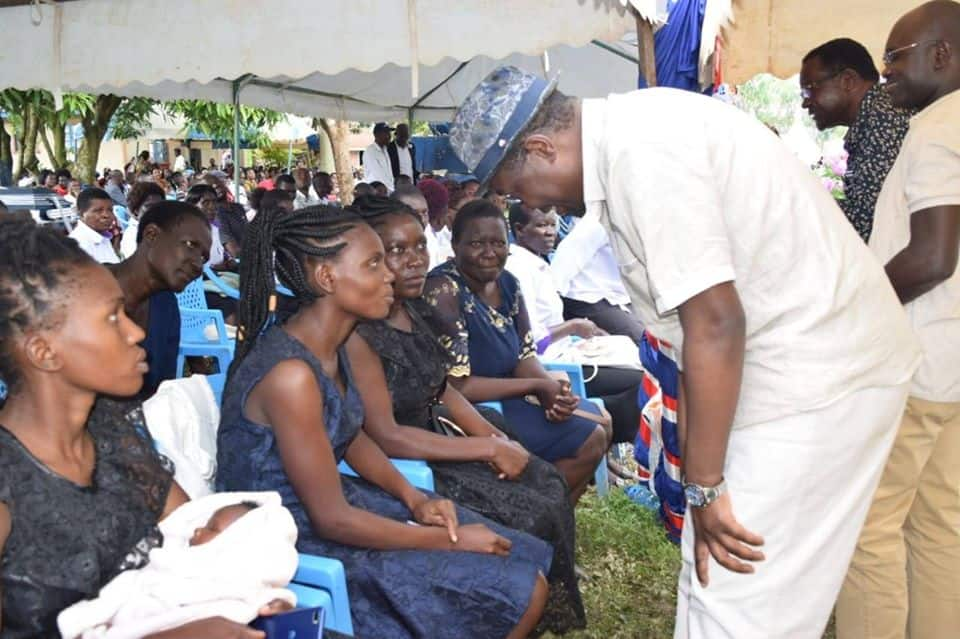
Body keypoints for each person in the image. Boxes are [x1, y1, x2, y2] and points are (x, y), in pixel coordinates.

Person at [450, 65, 921, 639]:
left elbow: (716, 323)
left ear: (540, 148)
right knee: (710, 567)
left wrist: (705, 484)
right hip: (786, 369)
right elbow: (689, 336)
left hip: (819, 379)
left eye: (514, 188)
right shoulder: (635, 134)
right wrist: (701, 480)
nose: (527, 205)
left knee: (744, 598)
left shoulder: (643, 155)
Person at [216, 205, 550, 639]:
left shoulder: (331, 345)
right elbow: (331, 520)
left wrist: (414, 499)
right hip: (293, 537)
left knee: (518, 552)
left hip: (333, 507)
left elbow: (350, 435)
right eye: (374, 264)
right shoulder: (291, 375)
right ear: (325, 277)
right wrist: (447, 540)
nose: (389, 275)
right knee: (520, 587)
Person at [0, 218, 278, 638]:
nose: (135, 332)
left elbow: (192, 532)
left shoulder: (112, 435)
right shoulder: (8, 484)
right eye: (112, 318)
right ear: (44, 350)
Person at [347, 195, 586, 633]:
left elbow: (442, 390)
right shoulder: (362, 331)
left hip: (441, 434)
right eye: (396, 251)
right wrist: (484, 448)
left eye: (420, 246)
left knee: (545, 480)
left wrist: (496, 442)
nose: (416, 260)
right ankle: (507, 604)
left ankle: (536, 597)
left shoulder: (414, 312)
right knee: (522, 512)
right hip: (410, 456)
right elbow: (387, 434)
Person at [837, 4, 960, 638]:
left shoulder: (938, 130)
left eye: (894, 58)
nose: (884, 74)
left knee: (869, 528)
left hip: (915, 358)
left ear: (941, 55)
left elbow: (934, 256)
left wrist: (858, 310)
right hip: (953, 367)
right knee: (939, 525)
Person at [423, 200, 610, 504]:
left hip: (511, 396)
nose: (488, 252)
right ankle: (537, 514)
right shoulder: (443, 290)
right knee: (591, 437)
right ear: (455, 247)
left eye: (497, 242)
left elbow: (524, 355)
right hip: (470, 411)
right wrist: (537, 385)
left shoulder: (508, 283)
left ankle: (547, 513)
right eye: (476, 243)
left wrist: (552, 390)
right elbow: (456, 386)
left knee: (601, 420)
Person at [507, 202, 643, 448]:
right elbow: (533, 341)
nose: (549, 232)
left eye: (552, 225)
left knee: (631, 349)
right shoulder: (519, 269)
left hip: (564, 348)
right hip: (549, 362)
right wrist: (573, 327)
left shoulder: (538, 263)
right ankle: (606, 439)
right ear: (519, 230)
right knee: (638, 380)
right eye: (540, 226)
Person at [801, 38, 912, 242]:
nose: (805, 102)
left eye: (809, 88)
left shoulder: (882, 119)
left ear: (847, 81)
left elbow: (865, 224)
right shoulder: (873, 117)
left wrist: (794, 192)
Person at [107, 201, 211, 398]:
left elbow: (161, 393)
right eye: (190, 245)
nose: (198, 264)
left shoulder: (166, 306)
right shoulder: (83, 292)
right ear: (152, 234)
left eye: (204, 257)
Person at [551, 209, 645, 343]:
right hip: (588, 299)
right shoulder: (598, 221)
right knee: (643, 343)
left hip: (619, 297)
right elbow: (565, 259)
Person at [68, 187, 121, 264]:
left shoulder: (102, 236)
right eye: (98, 211)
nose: (106, 215)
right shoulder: (78, 246)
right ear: (81, 214)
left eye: (110, 210)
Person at [120, 181, 167, 259]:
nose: (156, 211)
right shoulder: (132, 236)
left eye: (159, 206)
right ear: (136, 210)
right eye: (149, 206)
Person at [418, 178, 453, 268]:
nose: (447, 217)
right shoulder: (428, 240)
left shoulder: (438, 234)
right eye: (445, 211)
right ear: (439, 216)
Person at [362, 123, 395, 191]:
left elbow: (389, 173)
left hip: (387, 190)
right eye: (386, 133)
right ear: (377, 135)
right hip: (377, 192)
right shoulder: (370, 152)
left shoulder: (385, 150)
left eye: (389, 133)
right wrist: (391, 190)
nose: (389, 136)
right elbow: (379, 175)